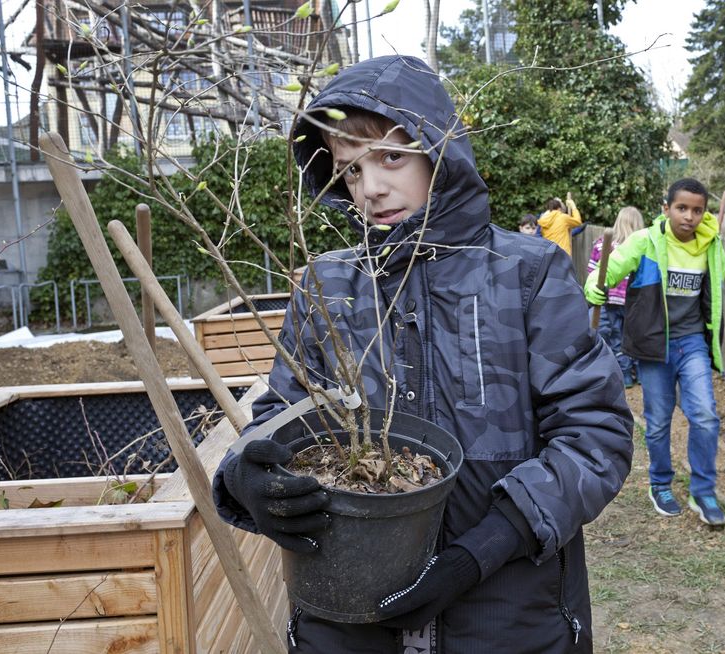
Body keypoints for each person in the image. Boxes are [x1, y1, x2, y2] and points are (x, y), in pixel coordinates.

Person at [212, 55, 633, 653]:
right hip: (350, 624)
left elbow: (596, 435)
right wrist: (250, 479)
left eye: (390, 157)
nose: (372, 188)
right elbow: (281, 417)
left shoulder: (526, 276)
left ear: (439, 151)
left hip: (508, 617)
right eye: (350, 171)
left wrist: (481, 549)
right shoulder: (326, 287)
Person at [583, 178, 725, 527]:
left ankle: (703, 490)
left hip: (692, 342)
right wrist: (594, 288)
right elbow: (609, 269)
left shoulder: (711, 245)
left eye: (697, 210)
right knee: (659, 421)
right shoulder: (645, 241)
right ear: (666, 209)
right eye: (682, 208)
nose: (690, 217)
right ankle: (660, 483)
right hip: (653, 346)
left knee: (705, 414)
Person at [587, 206, 645, 388]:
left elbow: (592, 272)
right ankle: (641, 374)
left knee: (615, 338)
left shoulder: (601, 245)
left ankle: (625, 375)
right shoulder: (642, 248)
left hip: (610, 300)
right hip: (632, 301)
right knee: (633, 336)